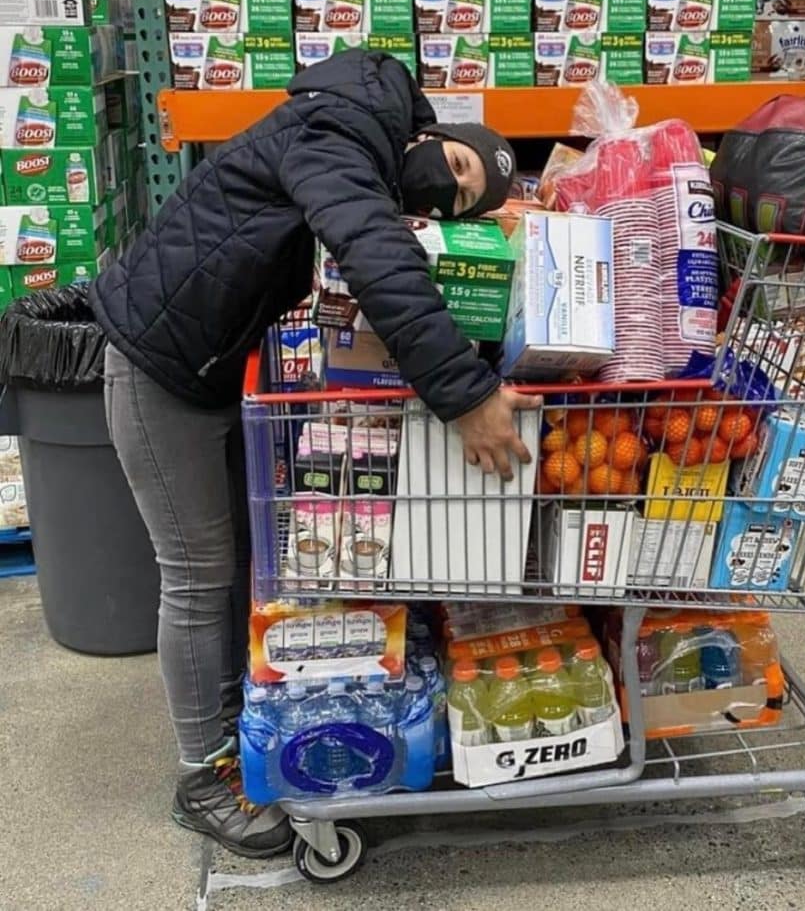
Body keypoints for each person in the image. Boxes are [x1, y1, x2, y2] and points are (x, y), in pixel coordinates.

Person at [90, 49, 540, 858]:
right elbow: (372, 251)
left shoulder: (353, 139)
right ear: (429, 134)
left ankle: (237, 730)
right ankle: (202, 777)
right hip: (159, 364)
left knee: (235, 564)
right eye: (461, 163)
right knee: (198, 577)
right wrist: (466, 395)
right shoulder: (340, 129)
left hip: (209, 362)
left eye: (468, 198)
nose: (454, 185)